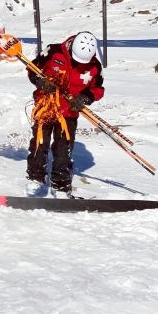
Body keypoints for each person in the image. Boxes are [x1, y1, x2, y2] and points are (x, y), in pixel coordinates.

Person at [26, 31, 104, 197]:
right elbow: (32, 68)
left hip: (69, 112)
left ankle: (60, 184)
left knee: (64, 148)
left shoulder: (95, 66)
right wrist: (40, 82)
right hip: (46, 107)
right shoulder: (53, 51)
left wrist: (85, 98)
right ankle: (36, 177)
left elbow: (98, 89)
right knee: (40, 143)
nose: (79, 63)